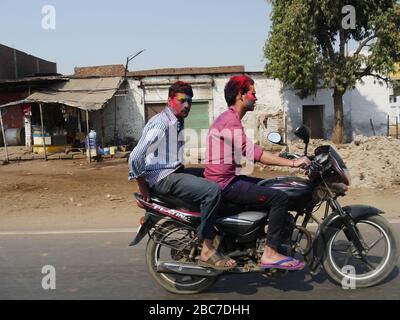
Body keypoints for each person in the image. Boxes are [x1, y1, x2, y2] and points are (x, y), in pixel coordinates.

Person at [204, 75, 311, 270]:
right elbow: (254, 153)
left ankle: (257, 238)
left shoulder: (229, 117)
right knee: (279, 197)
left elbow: (247, 148)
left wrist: (278, 155)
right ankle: (270, 253)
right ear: (240, 95)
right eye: (253, 93)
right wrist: (293, 163)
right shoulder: (230, 121)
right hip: (225, 184)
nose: (256, 98)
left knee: (266, 185)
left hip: (226, 179)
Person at [128, 81, 236, 270]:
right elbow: (135, 156)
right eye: (182, 100)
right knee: (212, 191)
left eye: (190, 101)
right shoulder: (162, 123)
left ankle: (217, 230)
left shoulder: (176, 119)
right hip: (163, 178)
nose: (187, 105)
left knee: (213, 175)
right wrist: (142, 184)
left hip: (173, 170)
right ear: (170, 100)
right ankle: (207, 249)